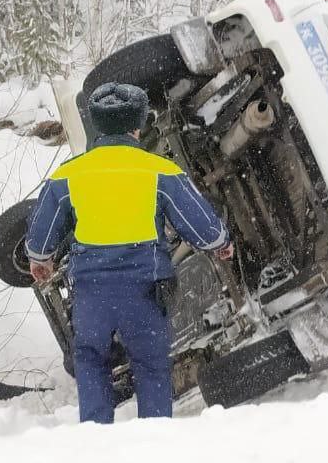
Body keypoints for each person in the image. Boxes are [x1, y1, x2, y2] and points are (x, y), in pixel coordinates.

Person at [25, 81, 233, 424]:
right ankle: (153, 440)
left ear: (95, 123)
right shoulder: (161, 172)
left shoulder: (68, 176)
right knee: (151, 367)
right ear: (138, 125)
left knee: (92, 361)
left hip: (91, 295)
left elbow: (39, 240)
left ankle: (95, 438)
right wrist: (221, 244)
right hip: (144, 291)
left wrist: (40, 262)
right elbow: (203, 227)